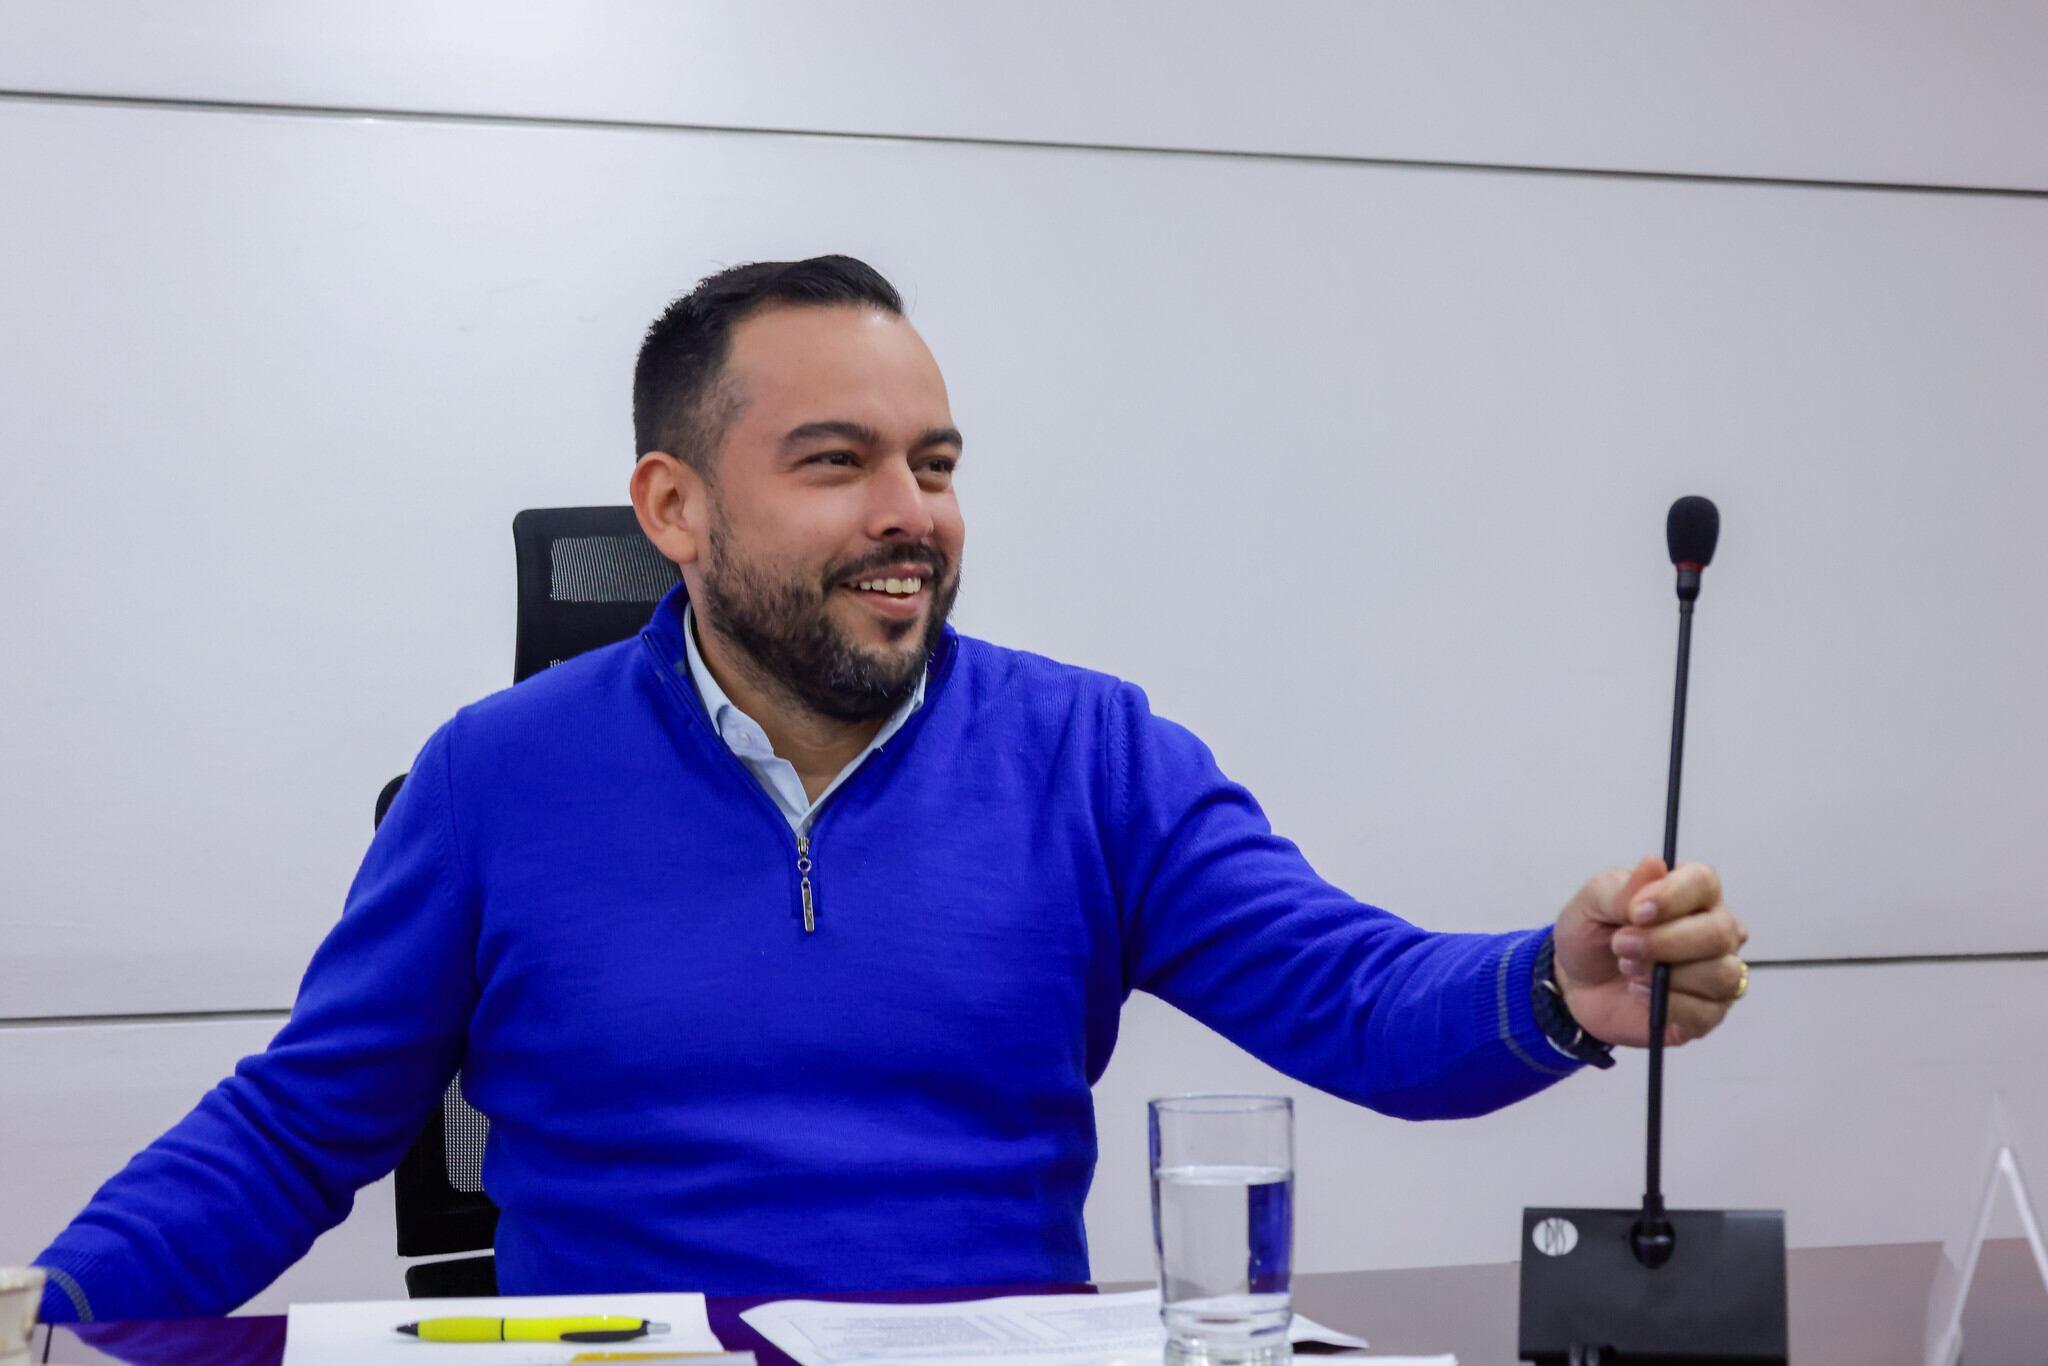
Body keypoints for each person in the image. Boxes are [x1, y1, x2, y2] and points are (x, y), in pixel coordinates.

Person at [32, 255, 1750, 1323]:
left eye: (933, 463)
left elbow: (1362, 1000)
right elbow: (294, 1127)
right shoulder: (494, 776)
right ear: (673, 507)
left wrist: (1556, 982)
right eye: (836, 462)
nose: (908, 512)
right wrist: (53, 1303)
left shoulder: (1093, 753)